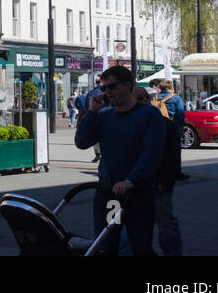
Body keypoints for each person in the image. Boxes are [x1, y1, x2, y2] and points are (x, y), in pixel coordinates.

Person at [74, 65, 165, 256]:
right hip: (109, 195)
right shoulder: (104, 115)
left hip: (137, 195)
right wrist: (91, 112)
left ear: (128, 86)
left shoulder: (149, 115)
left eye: (112, 87)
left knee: (140, 246)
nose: (108, 92)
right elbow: (81, 142)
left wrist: (132, 180)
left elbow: (152, 152)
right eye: (104, 88)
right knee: (108, 245)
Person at [134, 87, 183, 256]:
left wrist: (166, 180)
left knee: (165, 222)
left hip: (158, 183)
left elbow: (173, 156)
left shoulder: (166, 124)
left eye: (146, 97)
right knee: (138, 224)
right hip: (135, 183)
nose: (144, 101)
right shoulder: (128, 123)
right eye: (139, 98)